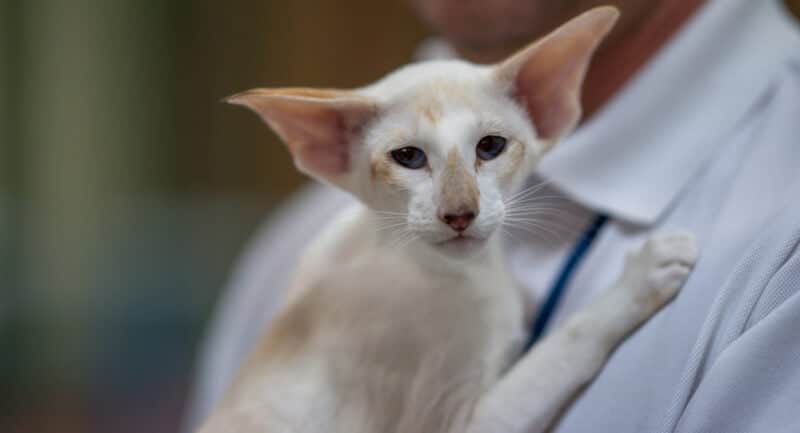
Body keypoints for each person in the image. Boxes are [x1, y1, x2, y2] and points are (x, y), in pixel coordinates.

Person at [185, 1, 800, 432]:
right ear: (328, 149)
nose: (461, 207)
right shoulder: (294, 245)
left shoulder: (781, 230)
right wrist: (616, 312)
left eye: (488, 150)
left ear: (546, 103)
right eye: (406, 158)